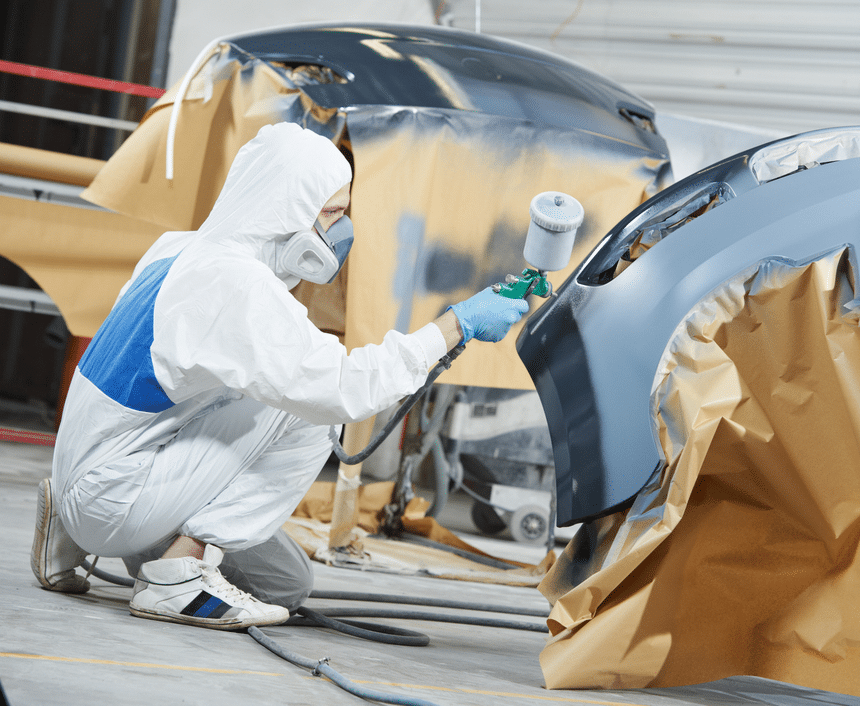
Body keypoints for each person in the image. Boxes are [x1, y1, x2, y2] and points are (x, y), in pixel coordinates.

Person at [30, 122, 529, 630]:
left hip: (90, 472)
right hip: (116, 499)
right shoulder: (233, 283)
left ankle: (68, 532)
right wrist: (456, 325)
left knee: (283, 585)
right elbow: (344, 389)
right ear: (284, 209)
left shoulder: (178, 250)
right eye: (331, 213)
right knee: (308, 411)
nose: (340, 231)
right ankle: (177, 575)